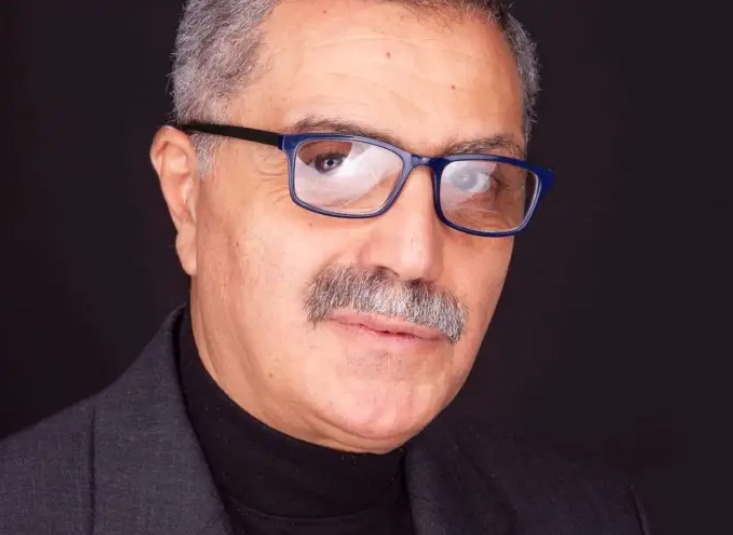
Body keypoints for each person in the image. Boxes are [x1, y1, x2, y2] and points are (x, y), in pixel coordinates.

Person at [0, 0, 650, 533]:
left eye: (474, 179)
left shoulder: (591, 519)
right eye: (333, 162)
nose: (415, 255)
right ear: (187, 193)